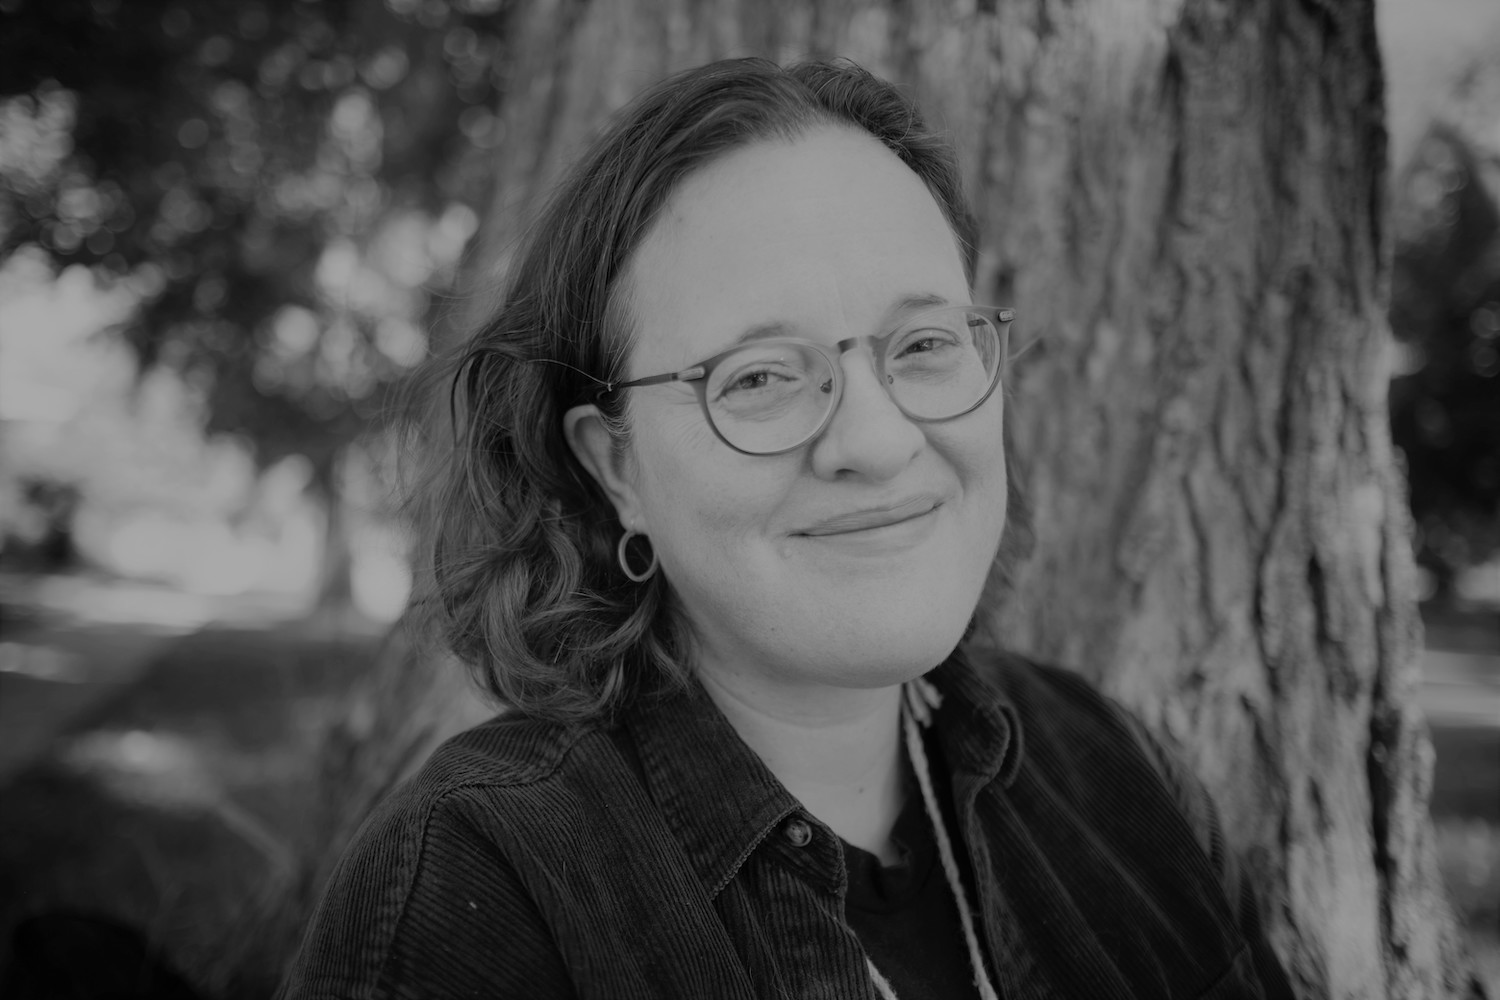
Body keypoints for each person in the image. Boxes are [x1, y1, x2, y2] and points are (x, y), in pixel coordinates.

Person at [280, 57, 1294, 999]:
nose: (879, 441)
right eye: (760, 376)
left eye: (924, 343)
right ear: (616, 467)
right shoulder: (476, 888)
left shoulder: (1115, 768)